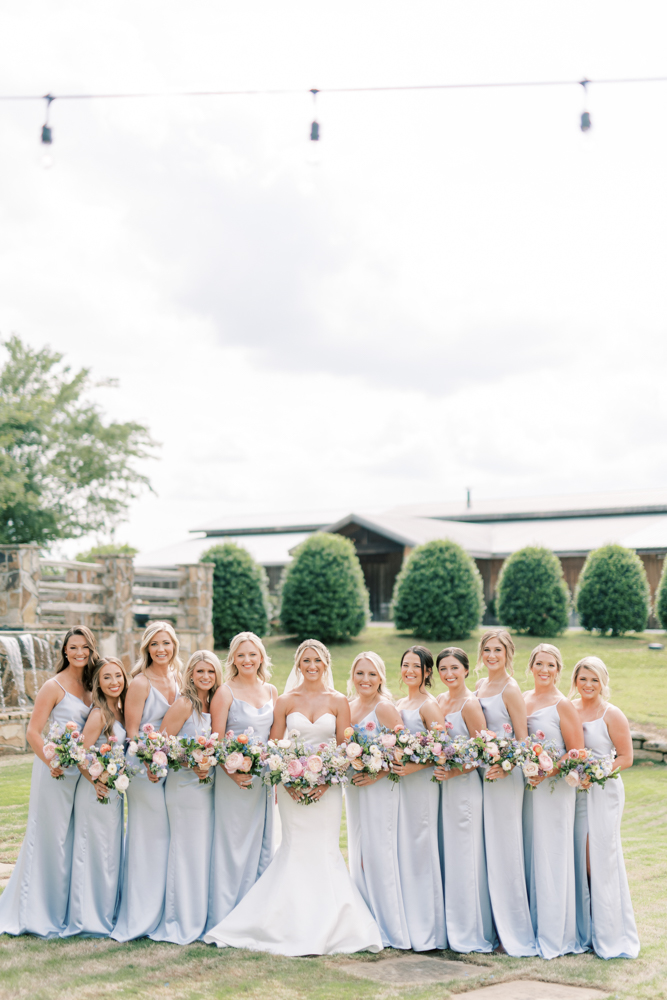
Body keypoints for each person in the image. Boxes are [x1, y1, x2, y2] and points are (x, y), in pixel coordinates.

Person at [204, 639, 382, 956]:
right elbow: (275, 748)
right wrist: (286, 780)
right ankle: (283, 922)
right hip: (291, 789)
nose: (311, 666)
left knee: (325, 850)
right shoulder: (285, 700)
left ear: (325, 664)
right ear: (297, 665)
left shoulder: (339, 701)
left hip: (326, 791)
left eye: (316, 660)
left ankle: (332, 925)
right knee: (294, 849)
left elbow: (346, 749)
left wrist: (327, 782)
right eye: (305, 661)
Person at [0, 626, 97, 937]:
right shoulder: (53, 686)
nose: (79, 652)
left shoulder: (93, 686)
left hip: (81, 774)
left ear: (91, 649)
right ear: (65, 651)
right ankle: (37, 911)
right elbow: (33, 731)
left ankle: (67, 909)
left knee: (71, 841)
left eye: (84, 647)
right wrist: (52, 762)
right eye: (73, 647)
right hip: (54, 770)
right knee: (49, 839)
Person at [112, 621, 180, 942]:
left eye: (166, 643)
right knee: (148, 836)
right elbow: (132, 731)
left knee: (168, 837)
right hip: (143, 767)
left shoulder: (179, 678)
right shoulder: (139, 683)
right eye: (155, 644)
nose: (161, 649)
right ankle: (140, 913)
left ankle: (165, 908)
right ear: (146, 648)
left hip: (174, 766)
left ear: (174, 645)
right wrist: (151, 759)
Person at [205, 633, 277, 932]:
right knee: (232, 843)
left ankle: (255, 913)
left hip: (262, 781)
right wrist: (233, 771)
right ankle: (226, 914)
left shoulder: (272, 691)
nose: (247, 660)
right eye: (241, 655)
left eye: (253, 654)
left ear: (261, 657)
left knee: (261, 842)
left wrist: (271, 772)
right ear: (233, 658)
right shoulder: (224, 692)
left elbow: (275, 737)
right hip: (231, 779)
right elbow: (216, 740)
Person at [570, 656, 639, 959]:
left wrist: (598, 773)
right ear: (575, 680)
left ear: (603, 682)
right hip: (574, 791)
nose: (588, 685)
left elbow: (625, 757)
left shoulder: (612, 714)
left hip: (604, 790)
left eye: (594, 679)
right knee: (576, 856)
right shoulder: (568, 709)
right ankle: (583, 929)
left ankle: (609, 931)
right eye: (583, 678)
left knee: (599, 858)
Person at [151, 650, 221, 944]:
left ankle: (201, 915)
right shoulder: (184, 704)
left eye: (211, 672)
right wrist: (192, 762)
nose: (205, 677)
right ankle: (180, 919)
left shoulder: (215, 703)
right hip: (184, 788)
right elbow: (160, 746)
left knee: (202, 853)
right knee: (186, 851)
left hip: (208, 788)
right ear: (190, 674)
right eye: (199, 671)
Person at [475, 629, 537, 957]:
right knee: (487, 850)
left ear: (508, 653)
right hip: (482, 774)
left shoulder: (511, 690)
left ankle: (511, 932)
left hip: (506, 775)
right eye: (487, 649)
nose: (492, 655)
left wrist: (507, 765)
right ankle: (488, 923)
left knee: (506, 850)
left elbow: (523, 738)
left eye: (497, 650)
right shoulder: (479, 686)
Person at [522, 644, 585, 959]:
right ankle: (530, 927)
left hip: (555, 790)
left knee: (552, 855)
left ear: (559, 670)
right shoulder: (521, 700)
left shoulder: (564, 705)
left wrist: (548, 772)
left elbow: (576, 753)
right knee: (530, 853)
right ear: (531, 666)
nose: (544, 670)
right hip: (527, 790)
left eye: (550, 665)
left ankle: (556, 933)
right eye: (539, 664)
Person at [345, 651, 410, 950]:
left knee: (378, 853)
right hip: (354, 787)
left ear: (381, 677)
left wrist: (377, 773)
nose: (365, 679)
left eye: (371, 674)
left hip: (380, 787)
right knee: (359, 852)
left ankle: (390, 929)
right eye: (360, 673)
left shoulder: (384, 708)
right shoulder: (348, 707)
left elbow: (404, 748)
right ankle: (364, 921)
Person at [434, 647, 494, 954]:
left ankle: (471, 929)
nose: (448, 674)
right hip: (441, 788)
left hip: (465, 787)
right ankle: (449, 924)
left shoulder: (470, 704)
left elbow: (484, 751)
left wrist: (456, 770)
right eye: (443, 669)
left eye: (454, 668)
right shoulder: (440, 701)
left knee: (466, 857)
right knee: (448, 855)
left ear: (466, 670)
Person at [66, 656, 129, 937]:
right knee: (91, 853)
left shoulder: (121, 710)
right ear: (98, 684)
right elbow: (81, 753)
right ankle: (87, 919)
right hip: (97, 792)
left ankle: (105, 913)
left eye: (118, 676)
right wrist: (95, 779)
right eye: (107, 677)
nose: (114, 682)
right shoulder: (99, 713)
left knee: (108, 854)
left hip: (113, 792)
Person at [393, 645, 446, 951]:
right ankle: (408, 923)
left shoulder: (428, 705)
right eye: (405, 665)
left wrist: (412, 766)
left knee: (422, 850)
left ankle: (428, 931)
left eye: (416, 666)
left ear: (427, 672)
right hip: (402, 785)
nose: (410, 670)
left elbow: (442, 751)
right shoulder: (400, 702)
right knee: (406, 851)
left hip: (422, 784)